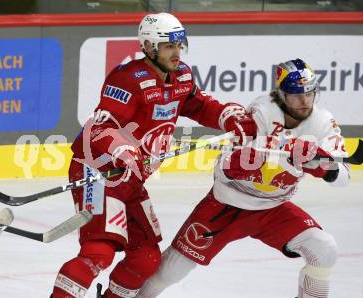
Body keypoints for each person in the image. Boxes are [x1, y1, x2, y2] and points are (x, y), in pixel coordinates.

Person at [51, 12, 256, 298]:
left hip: (131, 179)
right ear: (149, 47)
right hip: (99, 170)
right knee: (99, 252)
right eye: (168, 46)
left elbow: (200, 106)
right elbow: (100, 129)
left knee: (145, 258)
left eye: (179, 45)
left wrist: (227, 116)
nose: (176, 52)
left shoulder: (182, 75)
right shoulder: (127, 80)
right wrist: (122, 148)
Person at [137, 58, 350, 298]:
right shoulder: (263, 111)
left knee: (325, 249)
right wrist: (251, 157)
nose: (305, 101)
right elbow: (228, 167)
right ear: (281, 95)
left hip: (273, 209)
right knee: (170, 271)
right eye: (296, 94)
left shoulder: (322, 123)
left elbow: (344, 176)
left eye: (310, 93)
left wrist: (322, 166)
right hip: (226, 205)